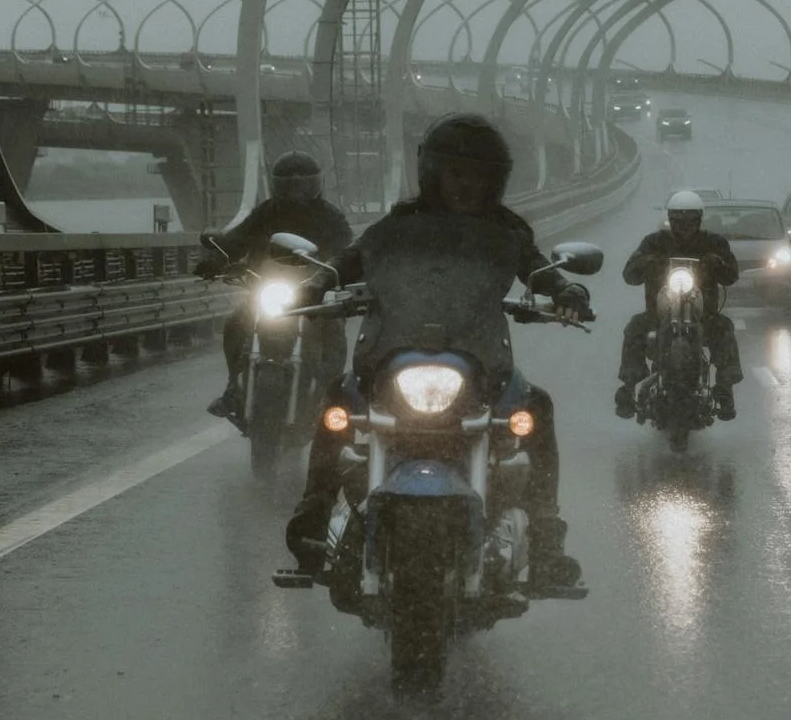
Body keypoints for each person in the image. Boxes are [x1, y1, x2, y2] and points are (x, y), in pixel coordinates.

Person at [283, 113, 591, 590]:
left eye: (477, 177)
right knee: (337, 401)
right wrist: (317, 282)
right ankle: (311, 525)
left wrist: (567, 290)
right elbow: (359, 256)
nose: (466, 185)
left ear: (494, 181)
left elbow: (535, 268)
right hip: (397, 353)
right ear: (434, 174)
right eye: (457, 174)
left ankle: (548, 540)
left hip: (478, 360)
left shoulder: (505, 231)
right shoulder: (401, 224)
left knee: (537, 407)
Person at [196, 150, 354, 419]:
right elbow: (237, 239)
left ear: (315, 184)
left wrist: (339, 274)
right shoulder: (266, 212)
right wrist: (216, 258)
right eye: (289, 184)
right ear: (277, 185)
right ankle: (234, 388)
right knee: (235, 324)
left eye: (303, 183)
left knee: (335, 332)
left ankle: (331, 398)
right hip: (267, 288)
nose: (297, 191)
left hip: (312, 293)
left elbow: (346, 251)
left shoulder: (330, 217)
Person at [616, 190, 744, 420]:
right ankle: (628, 388)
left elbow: (731, 275)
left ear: (699, 220)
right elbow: (629, 274)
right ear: (670, 220)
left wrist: (717, 263)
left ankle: (725, 388)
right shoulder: (654, 242)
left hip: (704, 314)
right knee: (634, 327)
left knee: (724, 328)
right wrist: (647, 262)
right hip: (659, 313)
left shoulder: (713, 242)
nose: (684, 226)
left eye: (690, 221)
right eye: (678, 221)